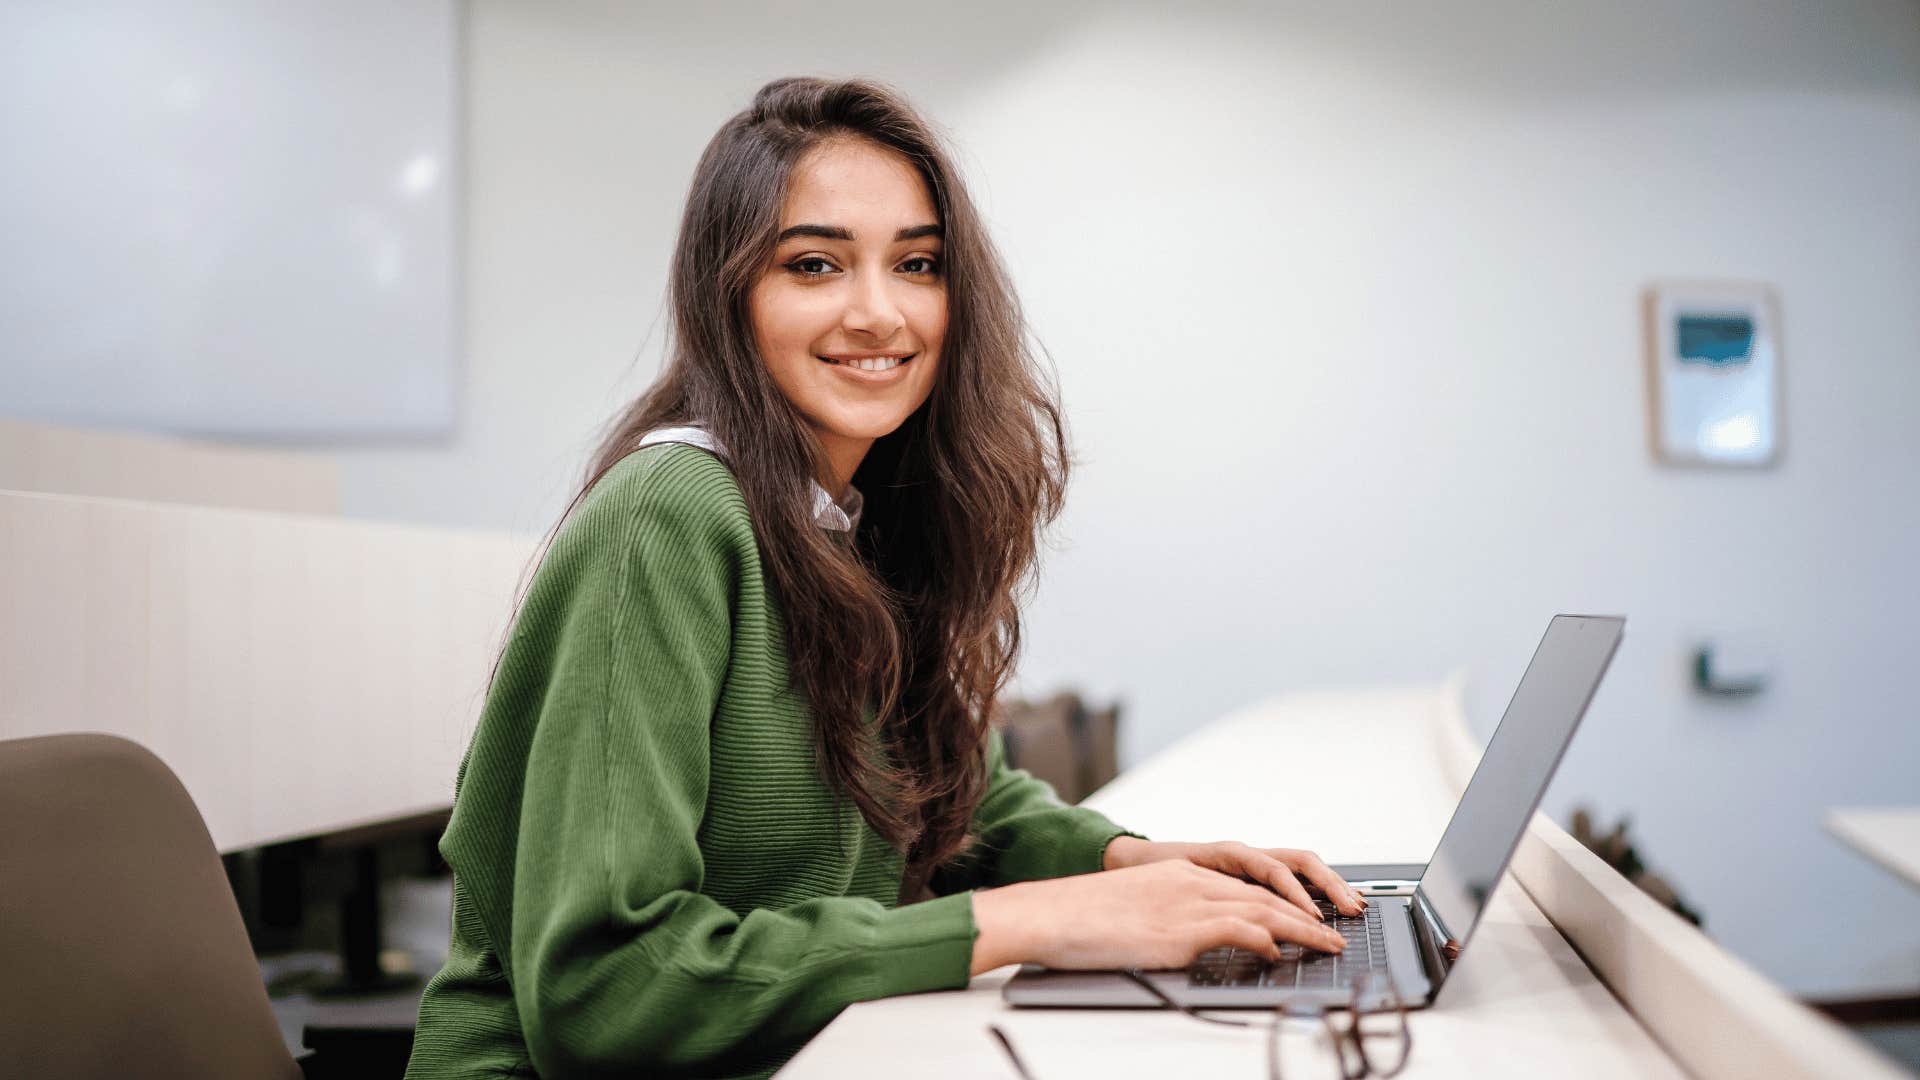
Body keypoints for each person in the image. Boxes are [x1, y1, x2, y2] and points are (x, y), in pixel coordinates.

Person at [403, 76, 1365, 1080]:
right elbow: (606, 990)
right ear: (728, 296)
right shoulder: (670, 518)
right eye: (814, 265)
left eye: (917, 264)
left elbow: (952, 795)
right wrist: (1037, 922)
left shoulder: (846, 518)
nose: (878, 313)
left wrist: (1131, 864)